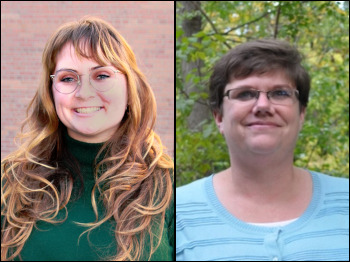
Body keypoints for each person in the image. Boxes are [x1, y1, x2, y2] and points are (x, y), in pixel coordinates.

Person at [1, 17, 174, 261]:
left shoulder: (168, 187)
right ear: (50, 93)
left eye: (101, 76)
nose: (84, 93)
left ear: (129, 87)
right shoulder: (10, 183)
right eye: (68, 78)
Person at [176, 39, 349, 261]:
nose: (263, 106)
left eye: (280, 93)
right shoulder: (176, 213)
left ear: (301, 114)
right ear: (219, 117)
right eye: (245, 94)